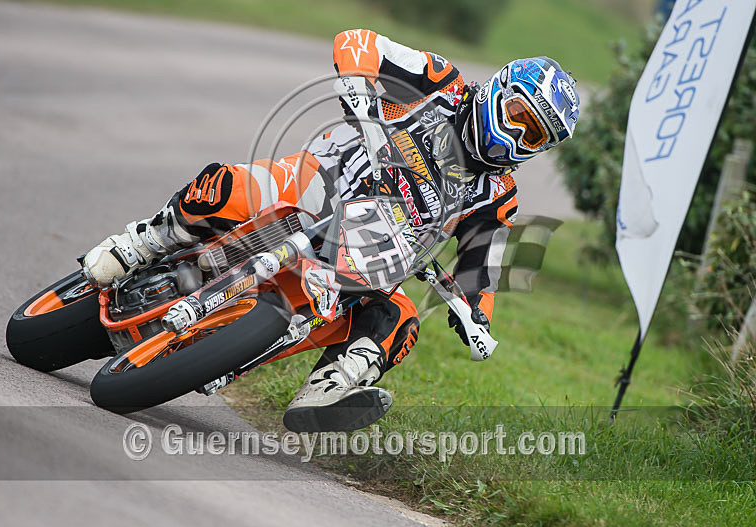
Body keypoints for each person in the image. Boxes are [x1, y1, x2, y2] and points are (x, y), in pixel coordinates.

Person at [82, 29, 580, 432]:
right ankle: (144, 241)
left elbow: (481, 268)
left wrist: (476, 318)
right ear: (500, 90)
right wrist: (360, 92)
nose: (517, 135)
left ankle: (330, 390)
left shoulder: (499, 194)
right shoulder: (441, 83)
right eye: (519, 116)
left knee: (401, 319)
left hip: (372, 248)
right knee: (229, 187)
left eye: (534, 135)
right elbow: (358, 42)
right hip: (317, 179)